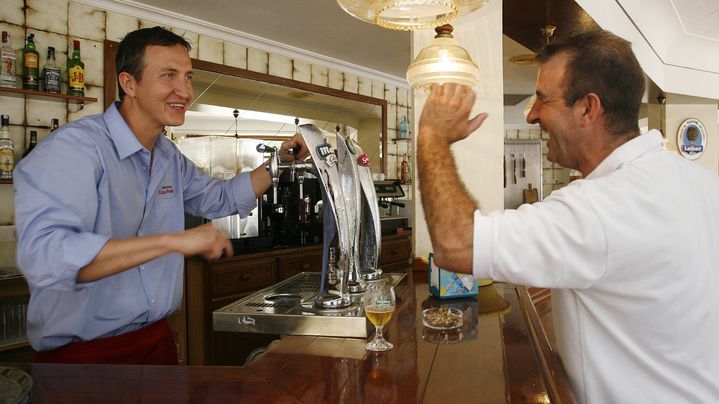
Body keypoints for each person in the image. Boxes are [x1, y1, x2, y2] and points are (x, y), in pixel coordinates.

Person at [417, 30, 719, 403]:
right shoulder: (704, 183)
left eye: (543, 100)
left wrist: (431, 136)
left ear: (587, 108)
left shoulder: (601, 207)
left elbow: (456, 245)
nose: (531, 115)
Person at [13, 27, 308, 365]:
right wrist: (173, 241)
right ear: (129, 83)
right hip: (84, 357)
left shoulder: (168, 157)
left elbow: (222, 197)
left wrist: (280, 162)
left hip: (155, 340)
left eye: (188, 77)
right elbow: (47, 257)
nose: (184, 90)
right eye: (169, 75)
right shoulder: (74, 149)